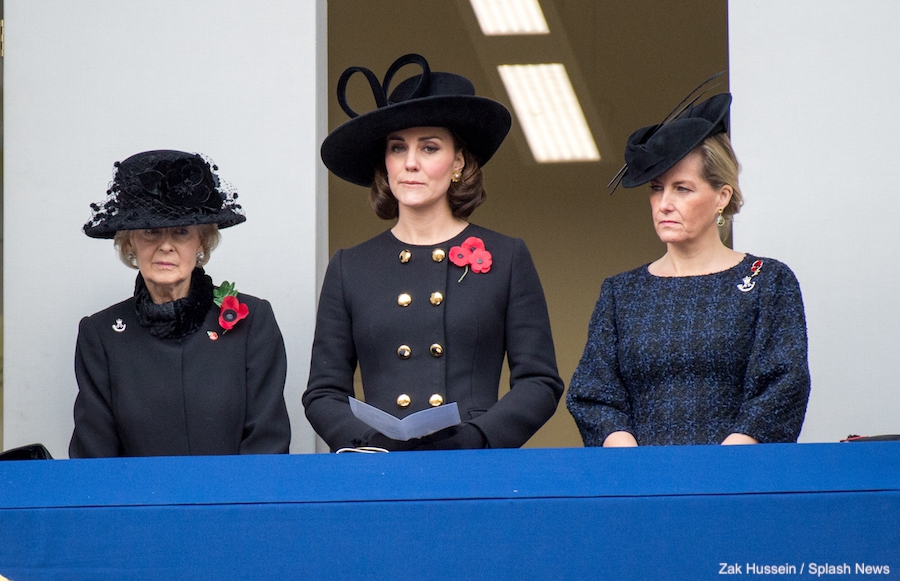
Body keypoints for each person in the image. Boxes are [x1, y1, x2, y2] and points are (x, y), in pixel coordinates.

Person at [304, 54, 564, 451]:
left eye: (429, 148)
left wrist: (478, 438)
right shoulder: (350, 267)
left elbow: (540, 381)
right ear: (385, 164)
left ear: (457, 162)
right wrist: (367, 444)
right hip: (379, 467)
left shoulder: (507, 256)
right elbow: (323, 392)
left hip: (474, 467)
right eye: (397, 148)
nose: (410, 163)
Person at [567, 91, 811, 446]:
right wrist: (628, 457)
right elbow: (594, 392)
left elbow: (783, 384)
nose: (664, 204)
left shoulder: (767, 279)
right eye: (656, 189)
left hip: (738, 481)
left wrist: (725, 463)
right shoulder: (622, 292)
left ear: (722, 196)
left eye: (682, 189)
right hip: (643, 484)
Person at [70, 150, 290, 457]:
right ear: (130, 241)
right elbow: (94, 460)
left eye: (181, 231)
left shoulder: (253, 321)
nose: (165, 246)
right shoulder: (101, 334)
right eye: (150, 231)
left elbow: (268, 445)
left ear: (201, 241)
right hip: (138, 505)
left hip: (234, 503)